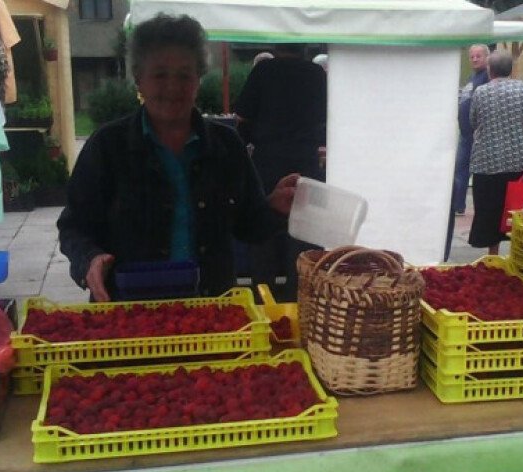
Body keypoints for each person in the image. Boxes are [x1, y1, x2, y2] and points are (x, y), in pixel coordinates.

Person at [57, 14, 297, 302]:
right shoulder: (107, 146)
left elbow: (249, 225)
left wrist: (274, 207)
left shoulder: (226, 147)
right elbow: (74, 226)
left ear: (198, 79)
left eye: (184, 75)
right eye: (159, 74)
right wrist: (89, 260)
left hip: (212, 315)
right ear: (138, 79)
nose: (172, 87)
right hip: (128, 316)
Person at [234, 43, 327, 302]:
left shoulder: (264, 71)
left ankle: (264, 304)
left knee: (264, 236)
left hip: (267, 164)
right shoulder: (316, 74)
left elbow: (241, 117)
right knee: (303, 240)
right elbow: (325, 117)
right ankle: (301, 302)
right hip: (306, 166)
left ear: (275, 45)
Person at [467, 50, 523, 256]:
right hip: (518, 162)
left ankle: (493, 255)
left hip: (486, 162)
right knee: (516, 210)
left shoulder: (480, 92)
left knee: (490, 210)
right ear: (510, 69)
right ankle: (518, 254)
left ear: (490, 70)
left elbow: (473, 122)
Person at [444, 44, 489, 261]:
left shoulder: (487, 78)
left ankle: (473, 211)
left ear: (487, 57)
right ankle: (458, 205)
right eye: (472, 56)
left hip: (476, 135)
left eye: (478, 55)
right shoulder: (474, 77)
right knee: (460, 171)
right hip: (465, 134)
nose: (474, 59)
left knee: (470, 172)